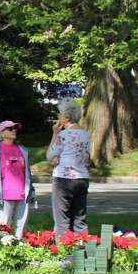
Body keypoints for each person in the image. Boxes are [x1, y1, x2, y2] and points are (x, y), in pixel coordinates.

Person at [0, 120, 36, 235]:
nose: (14, 131)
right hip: (3, 196)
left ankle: (20, 245)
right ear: (1, 133)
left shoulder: (22, 149)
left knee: (21, 229)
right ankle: (0, 245)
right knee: (2, 229)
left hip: (23, 194)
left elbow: (27, 172)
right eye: (10, 129)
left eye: (15, 128)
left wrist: (31, 190)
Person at [47, 100, 90, 235]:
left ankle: (63, 246)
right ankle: (83, 245)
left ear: (66, 117)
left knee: (62, 220)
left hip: (63, 179)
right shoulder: (86, 134)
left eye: (60, 114)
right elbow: (86, 157)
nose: (58, 117)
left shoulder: (63, 135)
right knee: (79, 219)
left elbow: (49, 155)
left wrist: (55, 133)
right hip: (82, 178)